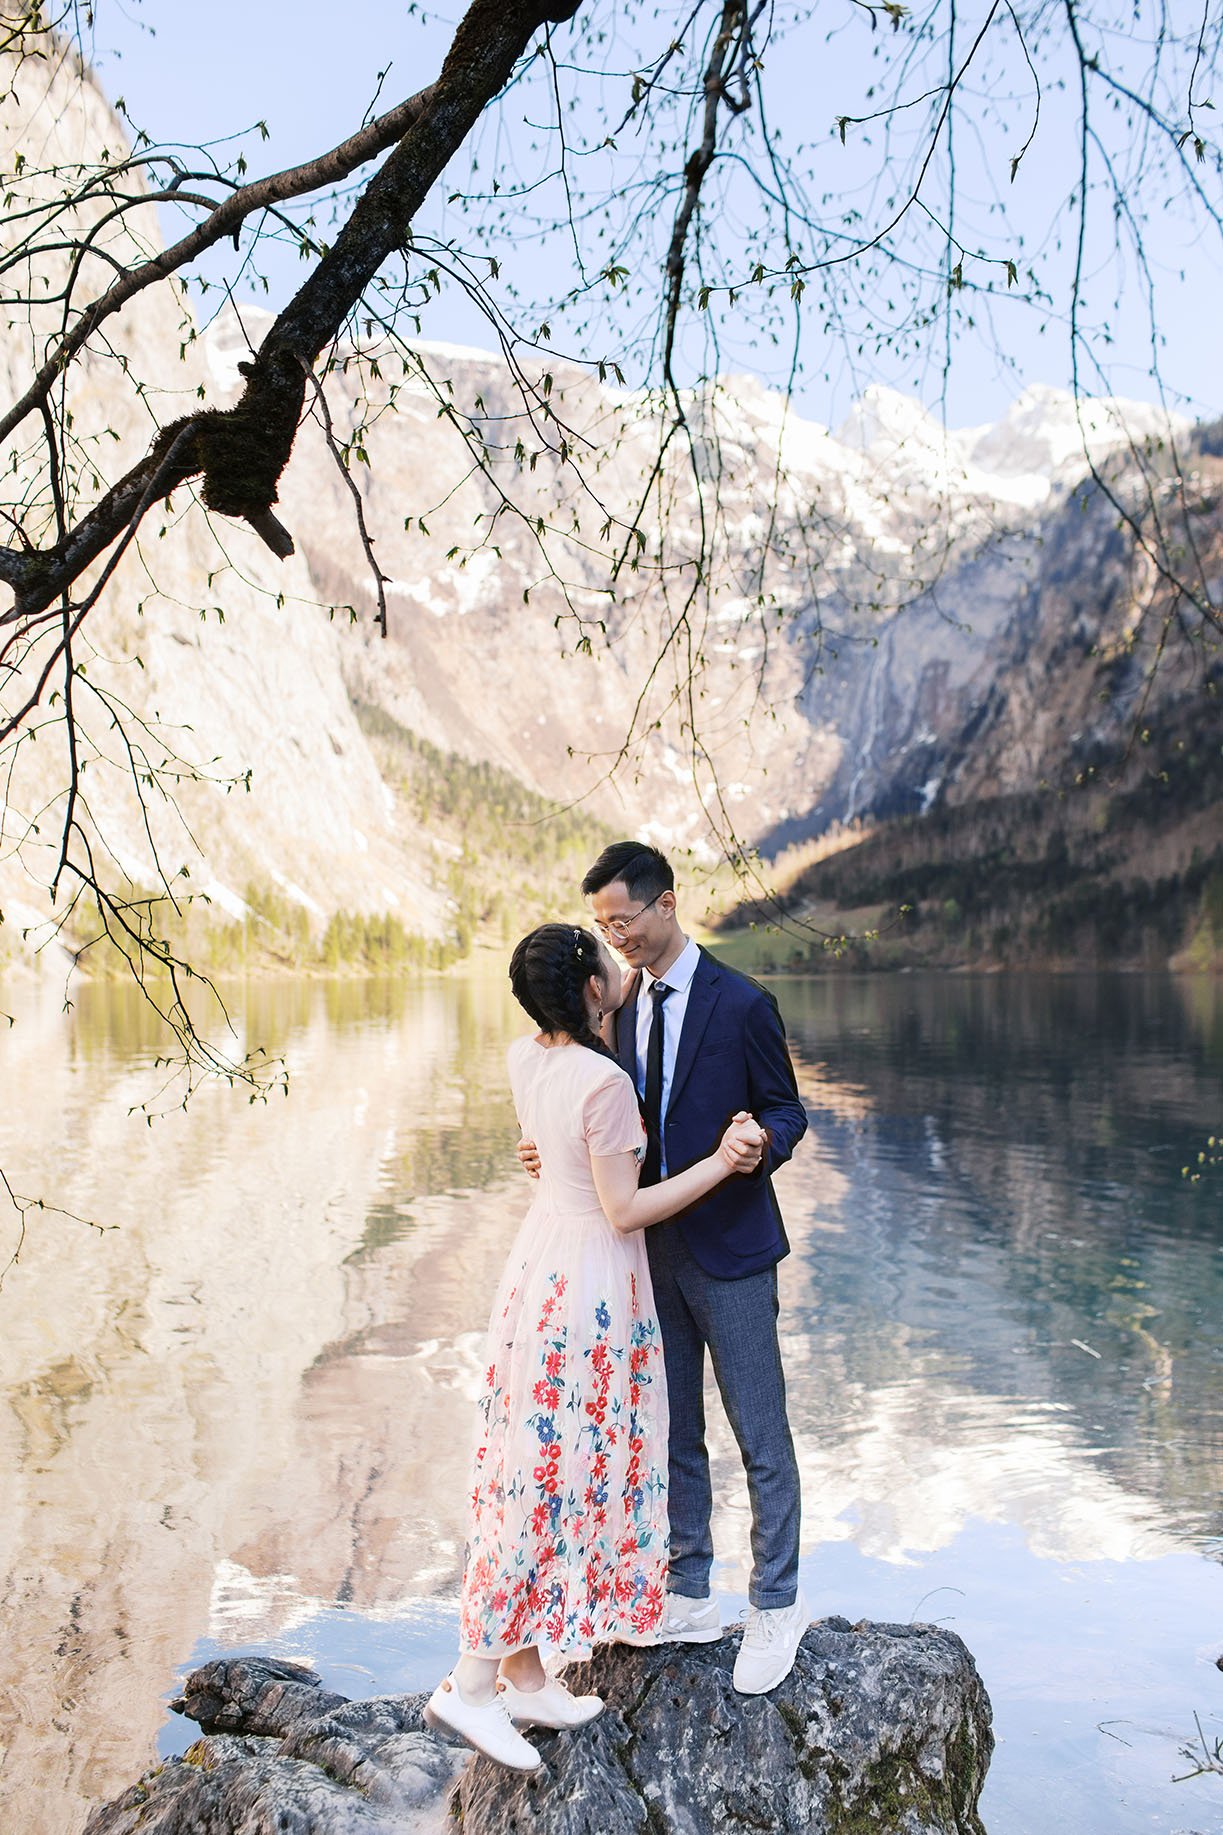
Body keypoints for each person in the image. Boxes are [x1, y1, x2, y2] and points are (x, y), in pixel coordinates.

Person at [425, 922, 765, 1771]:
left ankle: (525, 1672)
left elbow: (561, 1161)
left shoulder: (524, 1058)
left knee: (530, 1463)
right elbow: (623, 1209)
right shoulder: (604, 1081)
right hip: (588, 1288)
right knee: (553, 1478)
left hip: (536, 1270)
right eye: (602, 958)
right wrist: (723, 1159)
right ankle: (470, 1687)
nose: (619, 961)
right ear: (587, 987)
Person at [520, 843, 809, 1696]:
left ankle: (776, 1601)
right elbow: (609, 1122)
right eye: (604, 927)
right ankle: (687, 1587)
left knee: (760, 1430)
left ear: (667, 904)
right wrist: (552, 1150)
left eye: (624, 920)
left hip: (732, 1249)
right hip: (648, 1251)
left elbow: (788, 1107)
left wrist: (762, 1143)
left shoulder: (743, 1001)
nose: (615, 939)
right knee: (674, 1427)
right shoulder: (622, 1008)